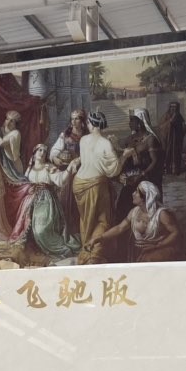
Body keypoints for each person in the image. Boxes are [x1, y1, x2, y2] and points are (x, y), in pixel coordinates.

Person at [73, 110, 131, 265]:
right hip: (95, 184)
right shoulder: (105, 143)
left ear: (92, 124)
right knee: (102, 220)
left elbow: (92, 158)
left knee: (86, 220)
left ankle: (86, 248)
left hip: (79, 184)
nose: (86, 125)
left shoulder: (83, 140)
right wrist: (124, 155)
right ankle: (94, 254)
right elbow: (114, 170)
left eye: (87, 123)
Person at [11, 143, 80, 260]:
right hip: (31, 202)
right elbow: (25, 184)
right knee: (26, 231)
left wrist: (69, 168)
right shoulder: (29, 169)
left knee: (41, 231)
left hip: (47, 203)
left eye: (44, 151)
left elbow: (60, 181)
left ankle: (60, 249)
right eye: (40, 150)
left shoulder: (49, 167)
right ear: (34, 153)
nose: (42, 153)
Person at [100, 181, 186, 264]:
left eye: (137, 192)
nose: (133, 194)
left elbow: (175, 232)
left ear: (145, 197)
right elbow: (120, 228)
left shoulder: (161, 214)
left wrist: (157, 245)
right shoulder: (134, 211)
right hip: (139, 251)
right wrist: (101, 237)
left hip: (158, 250)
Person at [116, 108, 164, 221]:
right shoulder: (131, 138)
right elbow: (119, 147)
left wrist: (142, 174)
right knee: (123, 202)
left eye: (132, 120)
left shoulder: (150, 139)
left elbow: (155, 161)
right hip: (133, 177)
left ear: (140, 122)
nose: (129, 123)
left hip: (146, 177)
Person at [50, 108, 87, 239]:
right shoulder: (65, 135)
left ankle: (81, 232)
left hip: (83, 171)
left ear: (82, 120)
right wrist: (55, 158)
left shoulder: (87, 136)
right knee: (65, 201)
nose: (73, 121)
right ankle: (68, 232)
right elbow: (54, 150)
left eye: (76, 118)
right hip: (67, 172)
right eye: (72, 118)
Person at [0, 110, 24, 181]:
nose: (8, 122)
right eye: (7, 119)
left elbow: (1, 143)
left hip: (14, 165)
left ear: (15, 124)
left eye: (12, 121)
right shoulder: (0, 130)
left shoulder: (16, 133)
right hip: (3, 164)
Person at [159, 101, 186, 175]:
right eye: (172, 107)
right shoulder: (166, 115)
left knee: (176, 154)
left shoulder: (179, 116)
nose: (173, 109)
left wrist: (184, 127)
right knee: (168, 154)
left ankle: (176, 170)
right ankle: (168, 169)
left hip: (177, 141)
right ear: (169, 107)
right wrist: (170, 122)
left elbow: (182, 128)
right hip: (168, 140)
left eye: (175, 107)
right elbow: (161, 127)